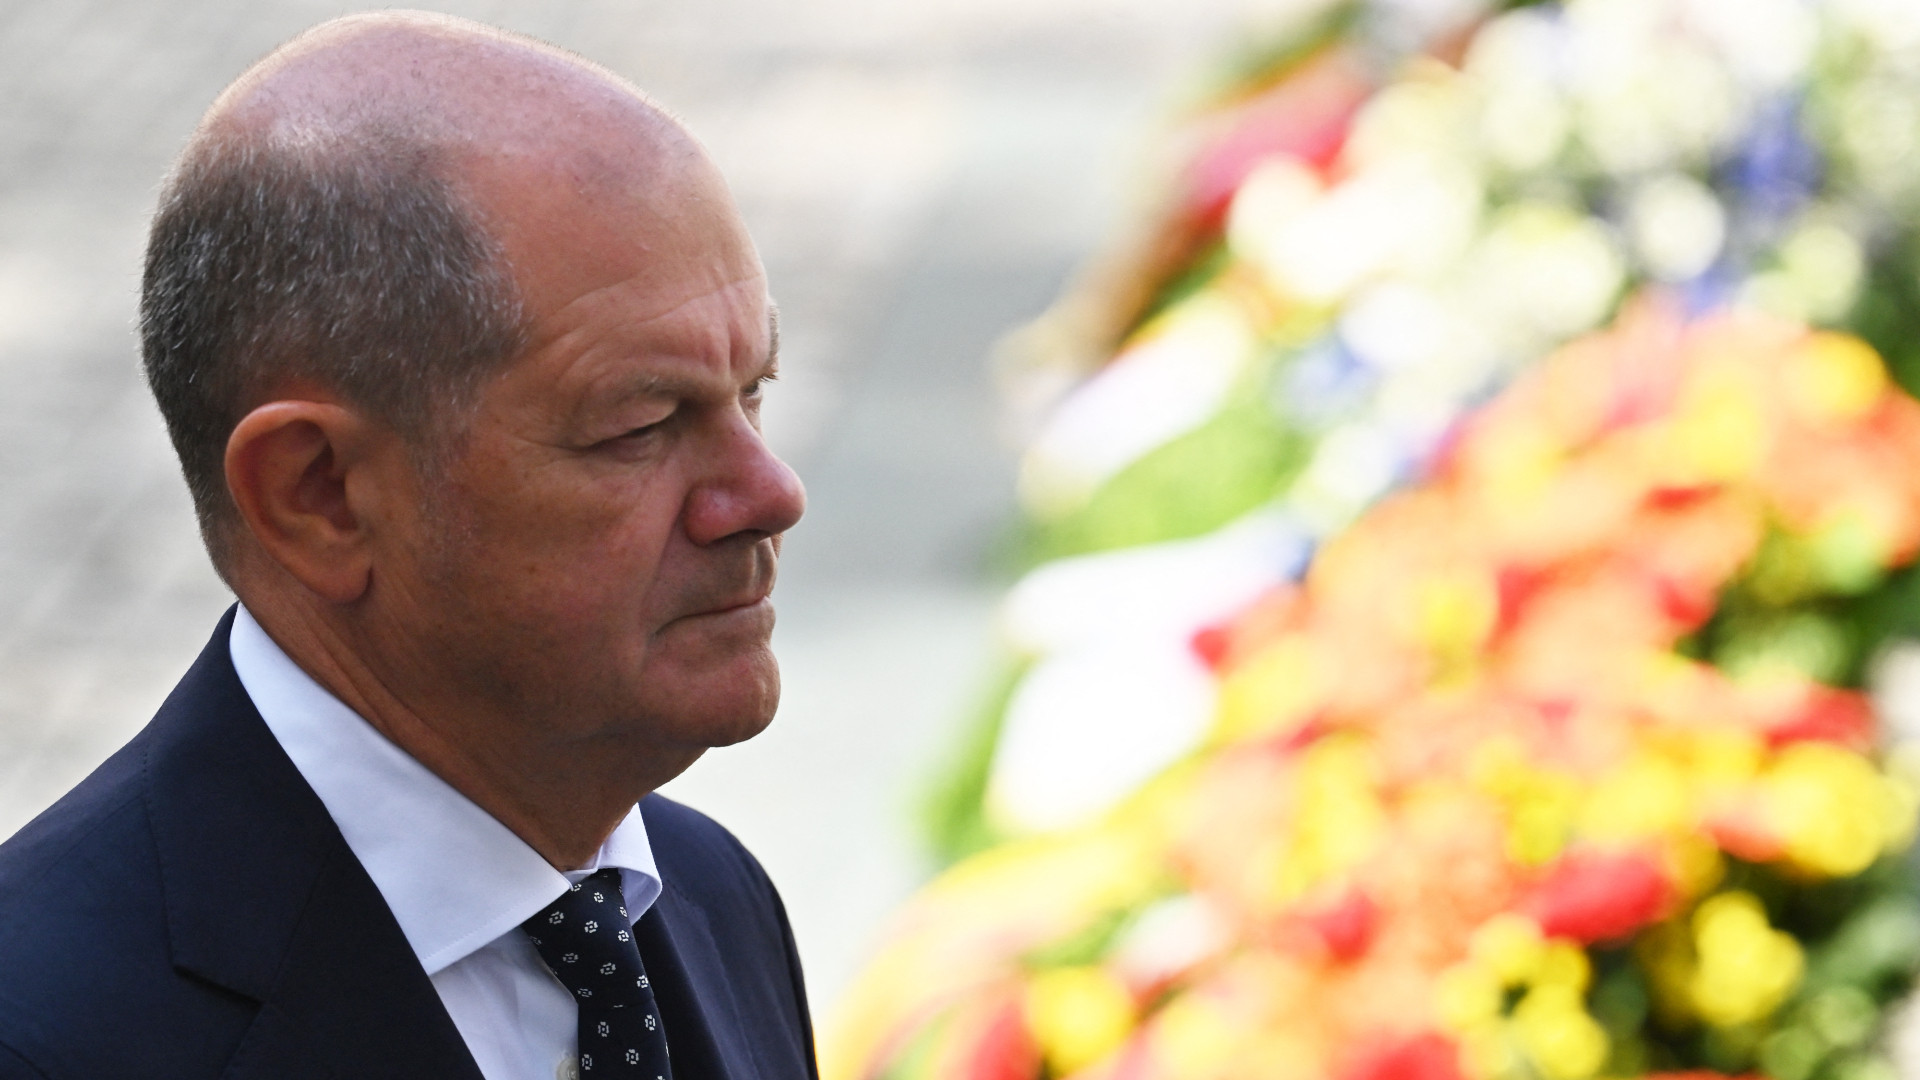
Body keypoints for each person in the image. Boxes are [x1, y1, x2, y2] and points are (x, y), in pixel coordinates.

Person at [0, 11, 815, 1080]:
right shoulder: (48, 1033)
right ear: (319, 496)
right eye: (641, 425)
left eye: (752, 391)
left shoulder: (711, 898)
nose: (770, 492)